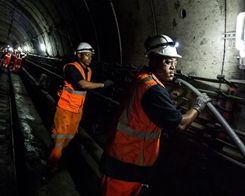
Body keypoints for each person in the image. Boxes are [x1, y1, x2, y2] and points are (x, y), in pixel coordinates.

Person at [100, 34, 211, 196]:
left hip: (128, 161)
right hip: (125, 165)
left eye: (174, 62)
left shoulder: (142, 78)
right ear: (152, 60)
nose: (172, 67)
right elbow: (180, 124)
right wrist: (198, 105)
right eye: (167, 61)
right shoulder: (153, 90)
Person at [48, 42, 113, 172]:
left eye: (91, 56)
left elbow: (87, 86)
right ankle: (51, 168)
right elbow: (82, 85)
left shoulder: (88, 70)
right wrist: (103, 85)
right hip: (65, 110)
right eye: (87, 55)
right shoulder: (71, 68)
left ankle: (59, 160)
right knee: (59, 141)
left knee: (69, 138)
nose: (89, 58)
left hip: (77, 111)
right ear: (79, 55)